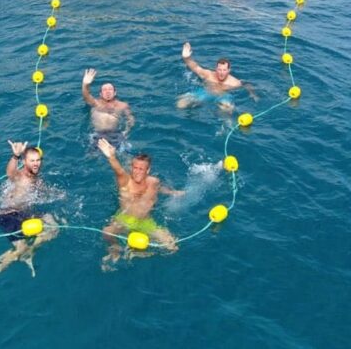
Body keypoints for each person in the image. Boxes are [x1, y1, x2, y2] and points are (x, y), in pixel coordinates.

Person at [0, 140, 60, 293]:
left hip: (22, 212)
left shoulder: (37, 178)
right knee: (22, 248)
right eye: (32, 161)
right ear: (25, 162)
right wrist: (15, 156)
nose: (36, 164)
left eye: (38, 160)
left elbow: (41, 193)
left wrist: (58, 195)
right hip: (7, 215)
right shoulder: (21, 176)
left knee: (54, 228)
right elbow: (10, 173)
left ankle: (24, 252)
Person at [97, 139, 183, 270]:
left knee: (172, 247)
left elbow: (160, 188)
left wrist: (172, 193)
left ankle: (137, 253)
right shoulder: (125, 182)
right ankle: (115, 249)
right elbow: (118, 170)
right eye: (135, 168)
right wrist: (111, 157)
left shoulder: (153, 182)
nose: (137, 171)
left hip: (145, 221)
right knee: (107, 232)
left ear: (148, 170)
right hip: (124, 220)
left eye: (141, 169)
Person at [176, 41, 256, 112]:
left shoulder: (234, 82)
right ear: (216, 69)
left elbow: (246, 85)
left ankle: (226, 126)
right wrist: (186, 58)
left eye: (224, 70)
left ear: (228, 71)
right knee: (180, 104)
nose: (221, 73)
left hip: (222, 96)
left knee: (228, 109)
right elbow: (195, 67)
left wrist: (252, 94)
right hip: (204, 92)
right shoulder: (208, 74)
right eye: (219, 70)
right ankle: (198, 106)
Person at [82, 68, 134, 148]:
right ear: (100, 94)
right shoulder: (95, 103)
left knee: (124, 155)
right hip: (98, 134)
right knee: (92, 156)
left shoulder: (123, 105)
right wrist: (85, 84)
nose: (108, 91)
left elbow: (130, 119)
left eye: (110, 89)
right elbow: (86, 96)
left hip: (116, 134)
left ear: (115, 92)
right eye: (104, 90)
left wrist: (126, 132)